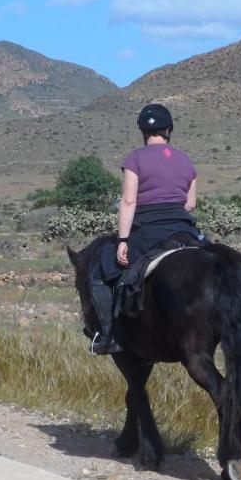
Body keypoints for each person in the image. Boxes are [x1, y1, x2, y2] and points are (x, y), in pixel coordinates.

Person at [88, 103, 202, 355]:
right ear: (169, 130)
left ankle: (108, 336)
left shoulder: (135, 158)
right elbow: (191, 203)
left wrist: (123, 240)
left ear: (143, 131)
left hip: (148, 228)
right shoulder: (186, 160)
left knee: (101, 270)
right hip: (184, 228)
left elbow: (129, 201)